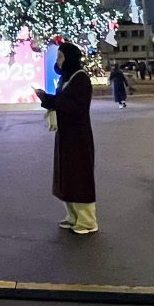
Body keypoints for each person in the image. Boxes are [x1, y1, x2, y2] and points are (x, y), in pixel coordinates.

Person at [37, 42, 97, 234]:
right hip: (66, 134)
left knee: (79, 176)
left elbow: (72, 105)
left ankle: (87, 221)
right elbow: (63, 102)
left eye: (61, 57)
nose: (58, 61)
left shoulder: (80, 79)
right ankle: (72, 216)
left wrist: (48, 100)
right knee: (67, 175)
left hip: (78, 136)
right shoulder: (66, 78)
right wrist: (49, 100)